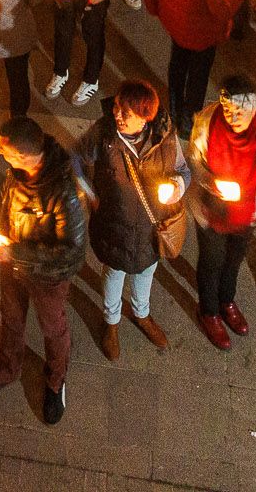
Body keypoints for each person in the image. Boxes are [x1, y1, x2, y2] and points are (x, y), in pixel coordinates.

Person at [0, 115, 88, 424]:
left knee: (53, 328)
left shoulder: (64, 190)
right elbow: (5, 206)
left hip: (48, 276)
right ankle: (7, 370)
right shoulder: (17, 172)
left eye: (5, 151)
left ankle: (55, 381)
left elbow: (71, 250)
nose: (0, 154)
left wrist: (15, 251)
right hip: (15, 266)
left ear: (22, 154)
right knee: (12, 319)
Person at [79, 79, 186, 358]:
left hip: (151, 228)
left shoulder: (165, 137)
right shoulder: (104, 136)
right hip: (114, 226)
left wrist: (176, 188)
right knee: (115, 274)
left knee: (146, 271)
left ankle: (142, 315)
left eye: (126, 113)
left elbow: (184, 171)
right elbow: (77, 160)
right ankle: (111, 323)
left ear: (145, 118)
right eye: (116, 107)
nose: (117, 115)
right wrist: (91, 195)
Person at [187, 73, 256, 351]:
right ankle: (208, 310)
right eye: (229, 109)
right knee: (212, 261)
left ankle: (227, 300)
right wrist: (211, 182)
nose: (234, 116)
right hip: (212, 210)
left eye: (241, 110)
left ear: (255, 107)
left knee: (234, 260)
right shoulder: (209, 120)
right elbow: (194, 160)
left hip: (249, 212)